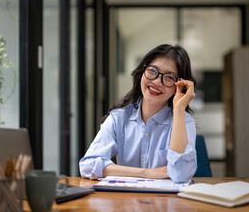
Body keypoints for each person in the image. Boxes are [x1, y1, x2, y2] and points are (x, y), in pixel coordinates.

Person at [79, 44, 197, 183]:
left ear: (179, 87)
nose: (157, 81)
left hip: (165, 202)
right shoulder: (118, 119)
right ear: (142, 71)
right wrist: (147, 173)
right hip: (124, 202)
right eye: (153, 71)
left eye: (169, 77)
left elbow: (181, 175)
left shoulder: (184, 121)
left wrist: (179, 109)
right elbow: (87, 166)